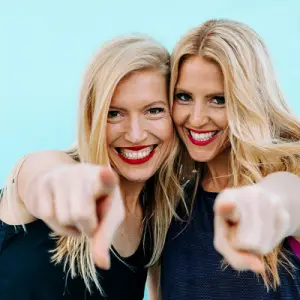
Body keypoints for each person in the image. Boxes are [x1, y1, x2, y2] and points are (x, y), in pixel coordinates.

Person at [0, 34, 183, 300]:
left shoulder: (157, 222)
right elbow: (42, 178)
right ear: (92, 118)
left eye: (153, 111)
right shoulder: (48, 166)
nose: (135, 134)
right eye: (114, 113)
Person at [161, 19, 300, 299]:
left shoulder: (289, 180)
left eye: (219, 100)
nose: (197, 118)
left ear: (249, 101)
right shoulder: (171, 203)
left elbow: (287, 197)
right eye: (184, 96)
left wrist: (267, 203)